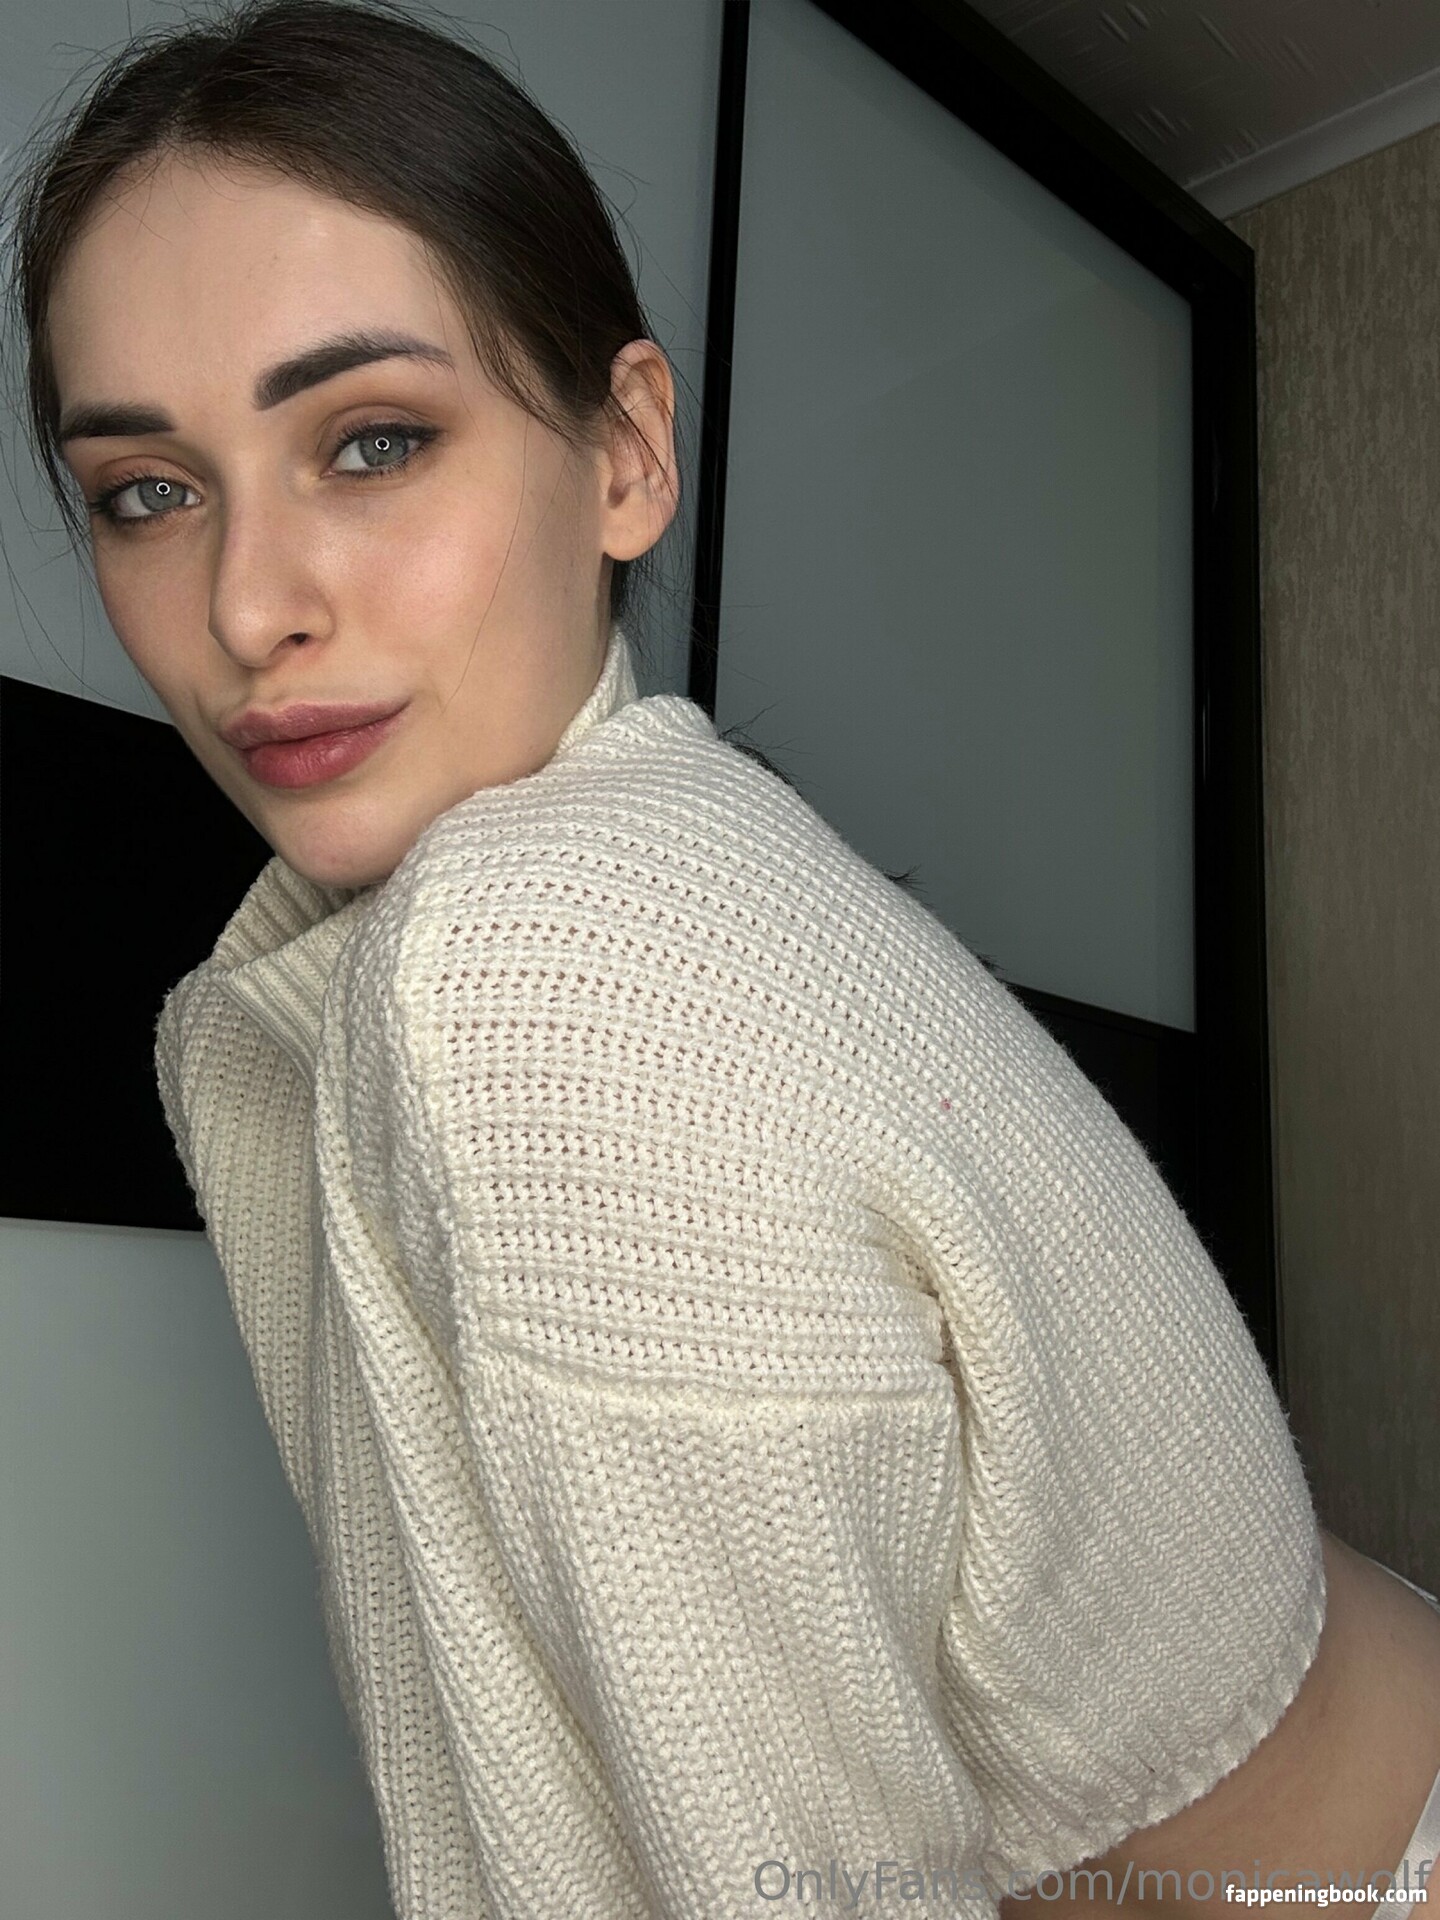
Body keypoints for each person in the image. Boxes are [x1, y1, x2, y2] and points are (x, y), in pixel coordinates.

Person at [8, 2, 1438, 1914]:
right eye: (148, 492)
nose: (250, 604)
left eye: (373, 441)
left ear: (624, 454)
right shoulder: (648, 865)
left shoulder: (542, 967)